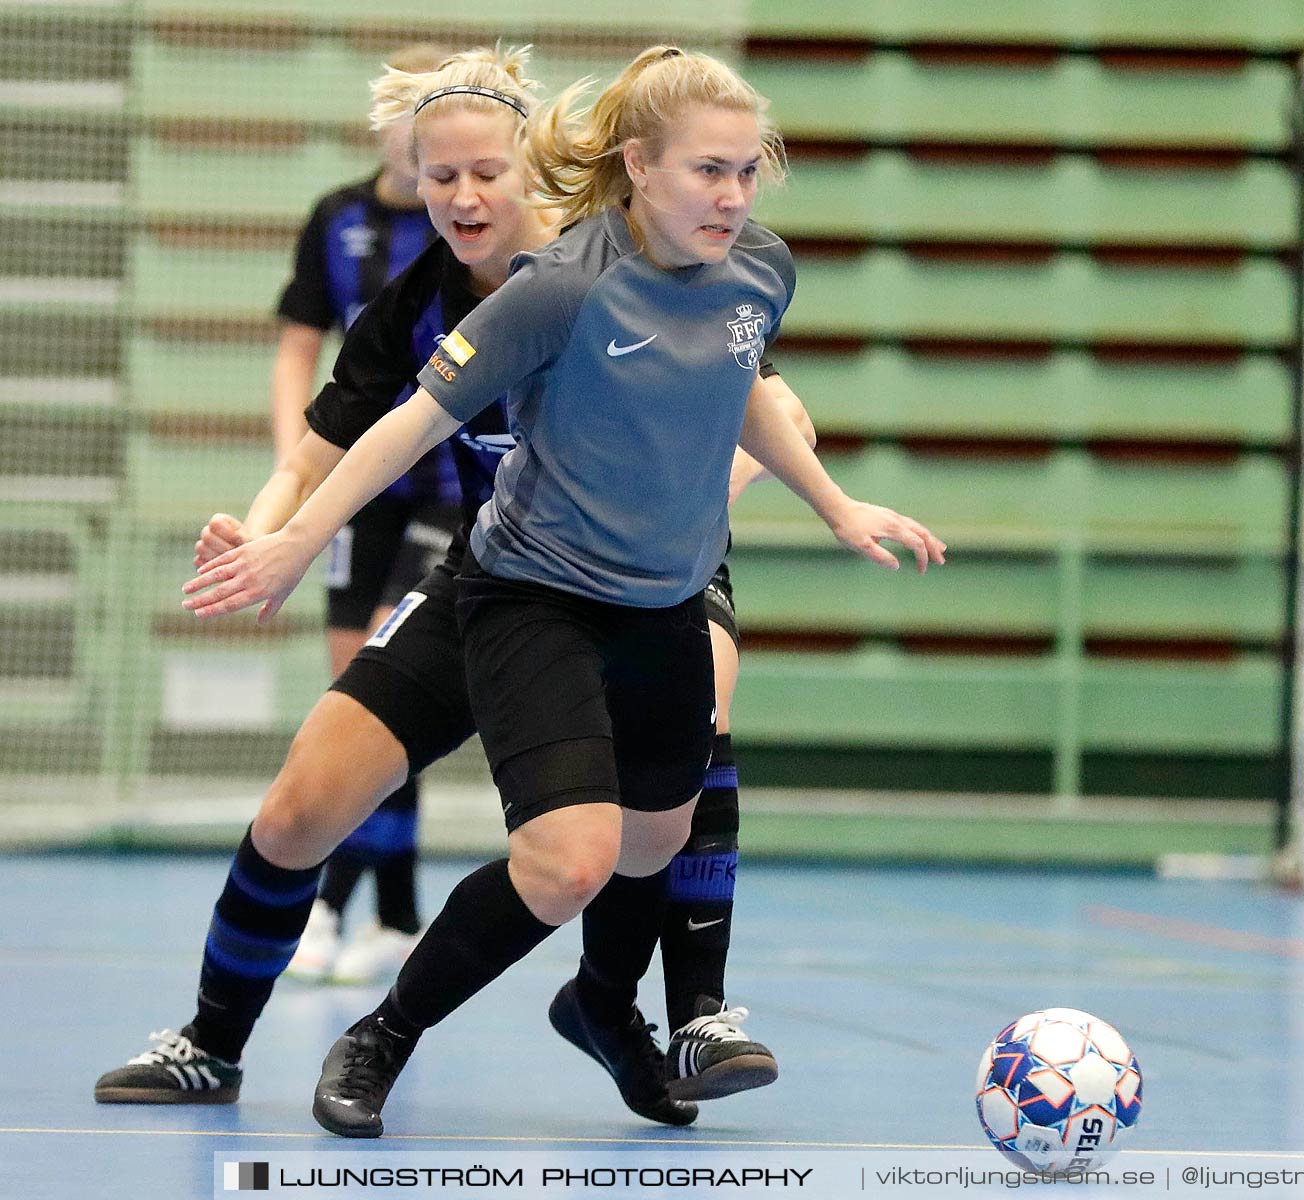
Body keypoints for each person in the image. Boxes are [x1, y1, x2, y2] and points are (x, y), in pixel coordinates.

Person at [182, 44, 945, 1138]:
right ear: (638, 166)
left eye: (483, 170)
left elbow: (752, 387)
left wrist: (828, 504)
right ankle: (355, 1034)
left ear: (526, 165)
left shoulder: (750, 263)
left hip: (662, 591)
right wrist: (288, 539)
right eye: (435, 177)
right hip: (522, 584)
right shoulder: (548, 290)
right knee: (548, 852)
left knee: (649, 840)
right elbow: (396, 426)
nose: (460, 196)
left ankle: (615, 1002)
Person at [272, 41, 452, 985]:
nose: (414, 127)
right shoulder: (336, 217)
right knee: (356, 691)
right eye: (402, 107)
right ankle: (396, 911)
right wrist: (293, 465)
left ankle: (331, 906)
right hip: (355, 489)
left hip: (448, 488)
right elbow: (299, 346)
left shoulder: (465, 224)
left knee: (385, 684)